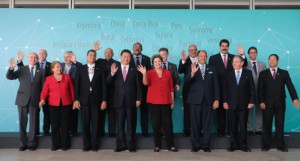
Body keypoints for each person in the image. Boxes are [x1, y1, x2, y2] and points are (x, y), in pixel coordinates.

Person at [258, 54, 299, 152]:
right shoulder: (263, 73)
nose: (271, 61)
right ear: (268, 61)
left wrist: (295, 98)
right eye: (270, 59)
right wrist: (261, 101)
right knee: (267, 125)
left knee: (280, 125)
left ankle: (280, 145)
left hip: (280, 103)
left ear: (278, 61)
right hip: (267, 104)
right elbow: (260, 89)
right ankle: (266, 145)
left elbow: (290, 86)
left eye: (274, 59)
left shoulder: (284, 73)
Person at [138, 54, 178, 152]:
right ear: (153, 63)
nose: (157, 63)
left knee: (168, 124)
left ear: (162, 62)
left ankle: (171, 145)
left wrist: (172, 101)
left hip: (166, 102)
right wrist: (143, 73)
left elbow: (171, 88)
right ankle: (157, 146)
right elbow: (145, 83)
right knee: (156, 124)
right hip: (153, 102)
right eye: (155, 62)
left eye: (159, 61)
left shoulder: (168, 73)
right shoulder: (149, 72)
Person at [208, 39, 247, 137]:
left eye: (226, 46)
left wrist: (242, 55)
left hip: (232, 90)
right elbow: (211, 74)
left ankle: (231, 132)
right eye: (223, 46)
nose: (224, 48)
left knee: (231, 111)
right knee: (220, 111)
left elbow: (244, 65)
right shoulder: (213, 58)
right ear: (220, 46)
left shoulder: (234, 57)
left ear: (228, 47)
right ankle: (221, 131)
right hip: (218, 88)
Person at [107, 49, 142, 152]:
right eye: (124, 56)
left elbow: (138, 86)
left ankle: (131, 145)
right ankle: (120, 145)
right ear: (120, 57)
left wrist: (139, 99)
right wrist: (112, 73)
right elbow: (108, 82)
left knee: (131, 124)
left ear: (130, 58)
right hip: (118, 102)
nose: (126, 58)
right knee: (120, 125)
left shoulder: (134, 70)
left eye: (128, 57)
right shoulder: (115, 69)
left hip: (131, 102)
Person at [6, 52, 43, 151]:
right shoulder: (22, 69)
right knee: (22, 123)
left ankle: (31, 143)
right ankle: (23, 144)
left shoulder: (41, 71)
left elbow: (43, 87)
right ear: (27, 58)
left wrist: (42, 100)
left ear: (37, 59)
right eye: (31, 57)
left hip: (35, 100)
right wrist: (11, 68)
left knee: (33, 124)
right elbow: (10, 77)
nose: (33, 59)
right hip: (22, 99)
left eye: (35, 57)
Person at [185, 50, 220, 152]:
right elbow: (187, 82)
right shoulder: (191, 67)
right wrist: (192, 73)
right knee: (195, 124)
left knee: (207, 124)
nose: (203, 58)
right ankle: (195, 145)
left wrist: (217, 99)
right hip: (195, 101)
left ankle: (206, 145)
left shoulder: (213, 69)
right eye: (201, 56)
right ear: (197, 57)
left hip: (208, 101)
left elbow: (216, 86)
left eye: (205, 56)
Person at [73, 49, 107, 152]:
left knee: (96, 123)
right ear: (87, 56)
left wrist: (104, 100)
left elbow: (104, 86)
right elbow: (77, 86)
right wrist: (76, 100)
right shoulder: (80, 69)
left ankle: (95, 145)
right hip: (84, 100)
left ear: (95, 57)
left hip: (97, 100)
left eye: (94, 55)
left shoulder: (100, 69)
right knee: (85, 123)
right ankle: (86, 145)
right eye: (90, 55)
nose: (92, 57)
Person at [39, 61, 74, 151]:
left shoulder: (67, 77)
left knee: (65, 125)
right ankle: (55, 144)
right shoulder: (48, 79)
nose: (59, 68)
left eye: (60, 67)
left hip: (66, 104)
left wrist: (74, 101)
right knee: (55, 125)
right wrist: (42, 100)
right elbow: (44, 92)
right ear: (52, 69)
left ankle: (65, 145)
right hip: (53, 105)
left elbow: (72, 91)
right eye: (57, 67)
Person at [223, 56, 255, 152]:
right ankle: (233, 145)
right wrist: (224, 101)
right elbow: (224, 89)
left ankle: (243, 145)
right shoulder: (228, 74)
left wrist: (251, 101)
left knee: (243, 126)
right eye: (233, 62)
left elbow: (252, 89)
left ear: (242, 63)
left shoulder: (248, 73)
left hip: (244, 105)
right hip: (231, 104)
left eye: (237, 62)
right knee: (232, 126)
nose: (234, 63)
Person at [17, 49, 52, 136]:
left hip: (47, 94)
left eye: (44, 53)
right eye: (40, 53)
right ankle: (35, 133)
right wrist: (19, 61)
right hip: (34, 95)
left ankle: (46, 132)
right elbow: (24, 70)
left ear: (46, 55)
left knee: (47, 114)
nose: (42, 54)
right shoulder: (34, 64)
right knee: (35, 116)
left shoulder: (51, 65)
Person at [130, 42, 151, 137]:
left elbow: (149, 74)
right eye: (135, 47)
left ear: (141, 49)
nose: (137, 48)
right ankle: (131, 133)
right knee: (130, 113)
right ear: (133, 48)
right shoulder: (127, 57)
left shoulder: (147, 59)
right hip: (131, 90)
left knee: (144, 112)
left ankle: (145, 133)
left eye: (139, 47)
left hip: (144, 90)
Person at [96, 47, 118, 137]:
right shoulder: (99, 61)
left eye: (110, 52)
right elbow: (89, 63)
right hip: (100, 92)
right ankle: (100, 132)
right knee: (100, 113)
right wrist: (95, 50)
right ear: (104, 54)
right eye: (106, 52)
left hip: (112, 92)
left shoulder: (117, 63)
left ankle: (112, 133)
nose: (108, 53)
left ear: (112, 54)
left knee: (112, 114)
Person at [244, 46, 267, 136]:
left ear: (257, 53)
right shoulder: (245, 65)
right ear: (248, 54)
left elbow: (266, 79)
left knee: (259, 111)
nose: (253, 54)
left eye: (255, 52)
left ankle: (258, 129)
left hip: (261, 92)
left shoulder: (263, 65)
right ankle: (249, 129)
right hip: (249, 92)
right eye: (251, 52)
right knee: (249, 111)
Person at [178, 44, 198, 137]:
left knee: (198, 111)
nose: (193, 51)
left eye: (194, 50)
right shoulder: (184, 60)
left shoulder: (201, 59)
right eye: (191, 50)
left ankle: (198, 130)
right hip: (188, 90)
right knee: (187, 111)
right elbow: (180, 71)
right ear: (188, 51)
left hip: (199, 90)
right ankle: (187, 130)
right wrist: (183, 60)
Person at [61, 51, 82, 136]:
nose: (65, 58)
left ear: (72, 57)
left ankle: (73, 132)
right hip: (62, 94)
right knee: (64, 114)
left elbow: (82, 70)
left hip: (74, 93)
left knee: (74, 114)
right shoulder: (60, 65)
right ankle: (64, 132)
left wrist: (75, 62)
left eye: (68, 56)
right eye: (64, 57)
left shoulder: (77, 65)